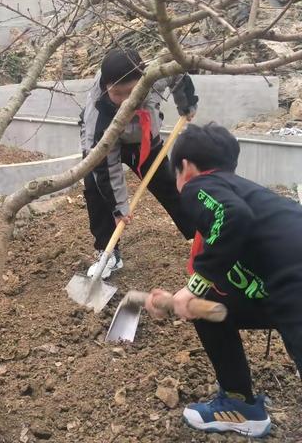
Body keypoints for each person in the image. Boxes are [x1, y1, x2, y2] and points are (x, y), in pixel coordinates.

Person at [146, 122, 302, 438]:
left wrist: (193, 287)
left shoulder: (197, 186)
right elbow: (226, 250)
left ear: (185, 167)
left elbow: (231, 217)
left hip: (295, 288)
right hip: (283, 290)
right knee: (211, 309)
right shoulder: (243, 189)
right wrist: (189, 296)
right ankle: (240, 405)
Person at [80, 48, 198, 279]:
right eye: (118, 94)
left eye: (131, 92)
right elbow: (105, 167)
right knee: (96, 190)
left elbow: (178, 74)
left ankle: (200, 236)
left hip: (143, 139)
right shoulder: (99, 115)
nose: (126, 101)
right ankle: (108, 251)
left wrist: (186, 104)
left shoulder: (155, 76)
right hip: (105, 145)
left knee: (169, 185)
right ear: (106, 87)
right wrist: (119, 207)